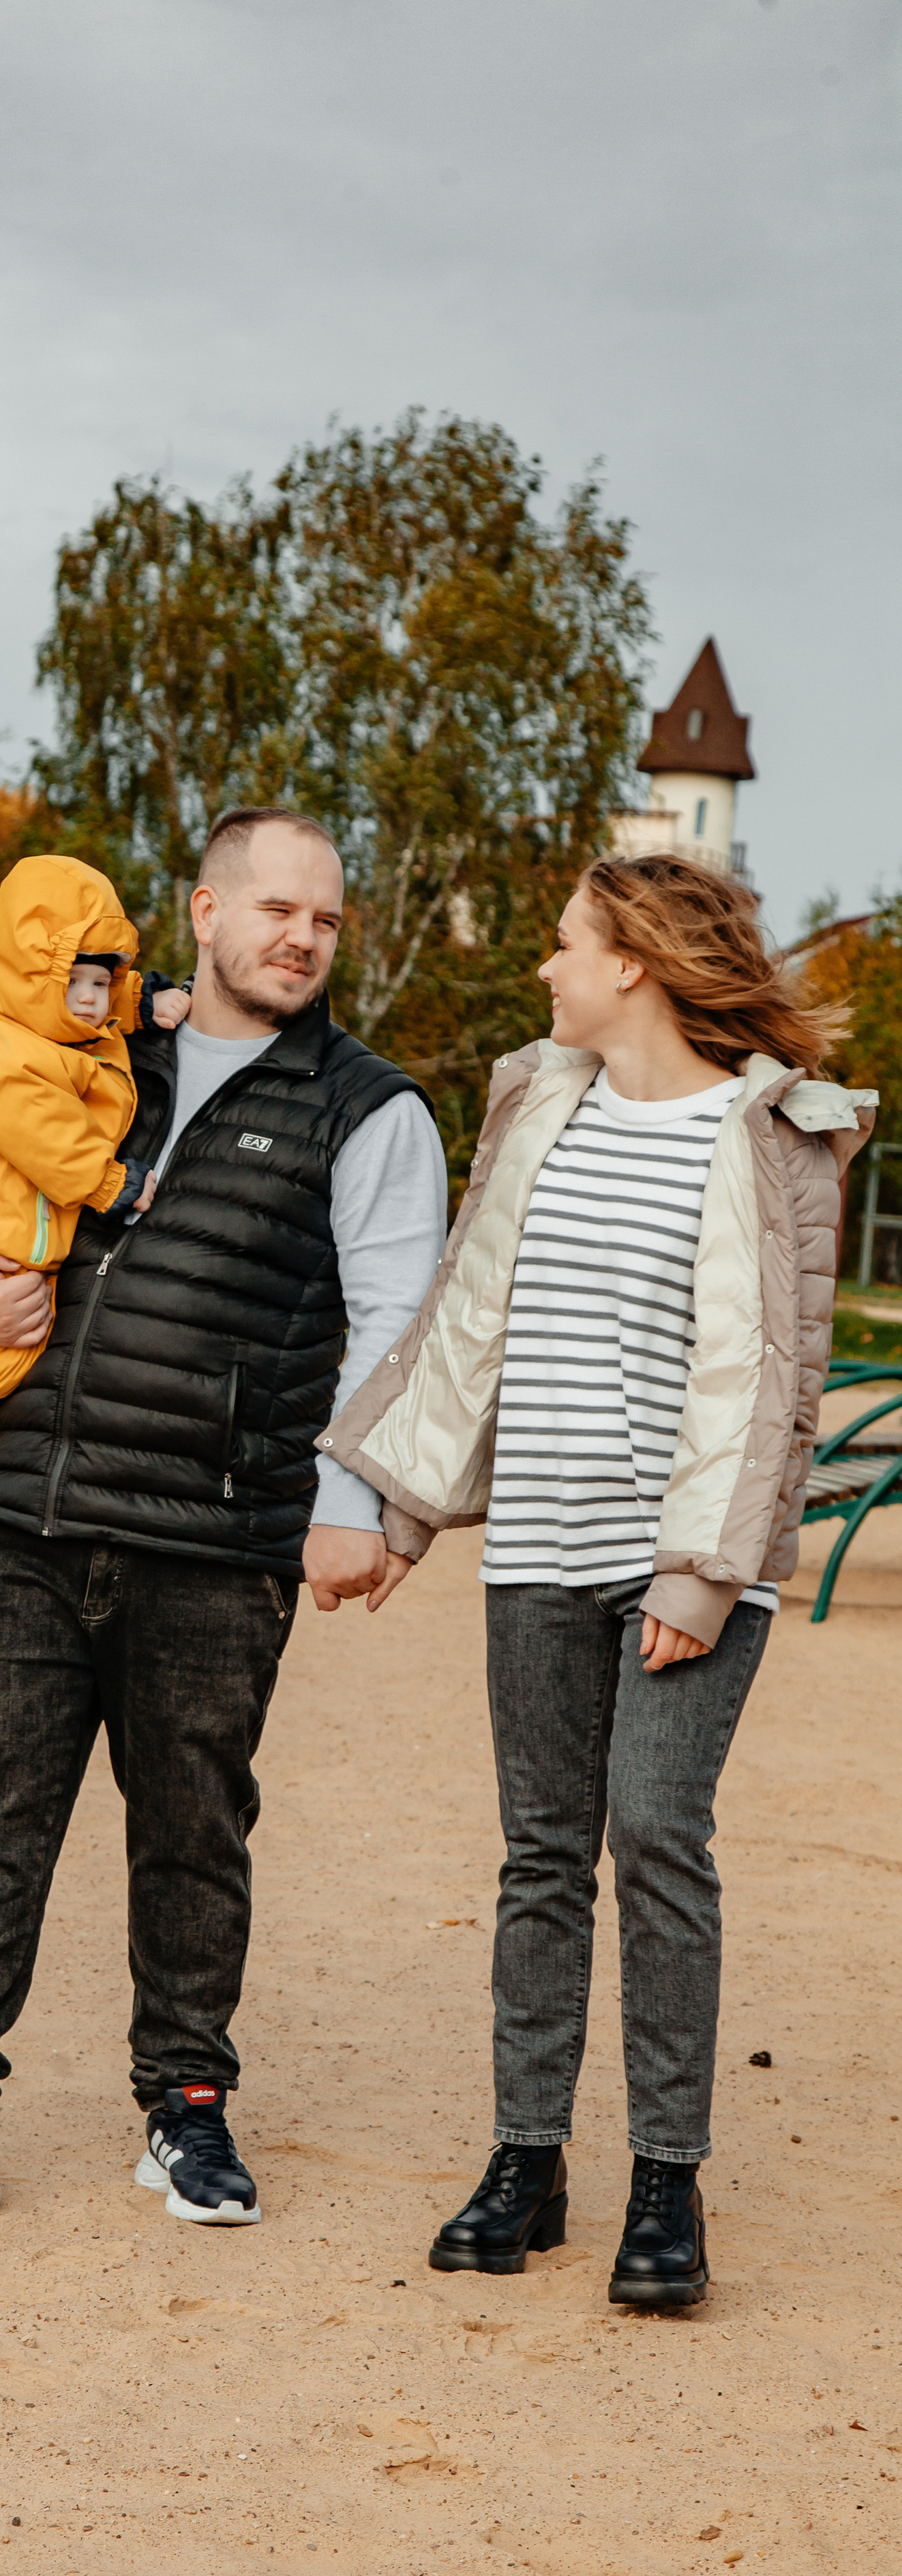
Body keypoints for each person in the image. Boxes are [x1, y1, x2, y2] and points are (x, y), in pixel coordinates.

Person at [0, 806, 449, 2226]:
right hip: (25, 1504)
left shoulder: (370, 1107)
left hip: (219, 1537)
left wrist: (354, 1507)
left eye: (325, 919)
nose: (300, 937)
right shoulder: (82, 1051)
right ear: (203, 915)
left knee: (191, 1829)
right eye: (274, 908)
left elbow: (398, 1328)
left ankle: (187, 2109)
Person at [325, 853, 875, 2306]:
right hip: (537, 1553)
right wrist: (398, 1510)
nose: (543, 970)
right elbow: (469, 1327)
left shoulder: (765, 1135)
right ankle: (527, 2161)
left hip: (686, 1563)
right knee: (537, 1855)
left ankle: (664, 2185)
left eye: (562, 944)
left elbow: (771, 1375)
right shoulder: (537, 1105)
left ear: (630, 958)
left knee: (654, 1836)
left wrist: (696, 1574)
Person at [0, 854, 191, 1466]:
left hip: (16, 1196)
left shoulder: (60, 1023)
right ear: (31, 977)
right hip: (1, 1209)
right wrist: (111, 1184)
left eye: (101, 983)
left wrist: (142, 1001)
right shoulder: (7, 1054)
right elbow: (46, 1136)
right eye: (72, 982)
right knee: (17, 1341)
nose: (88, 1002)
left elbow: (100, 996)